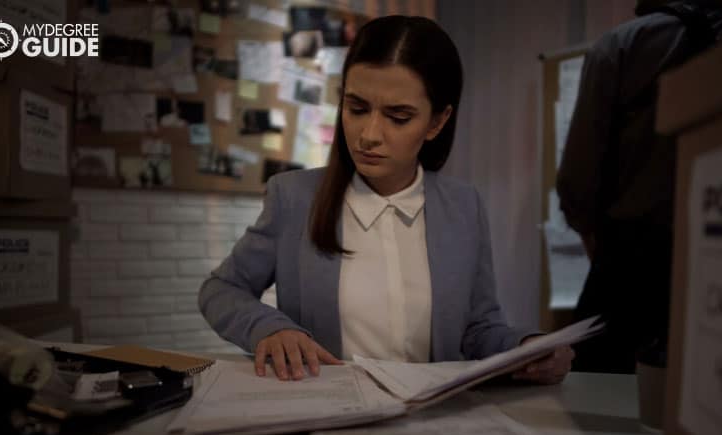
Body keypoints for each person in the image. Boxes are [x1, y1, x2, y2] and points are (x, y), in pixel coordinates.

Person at [199, 15, 574, 384]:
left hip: (429, 424)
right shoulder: (293, 198)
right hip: (328, 416)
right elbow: (221, 290)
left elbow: (478, 329)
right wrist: (270, 328)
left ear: (437, 122)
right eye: (356, 108)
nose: (369, 135)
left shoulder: (463, 206)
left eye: (398, 116)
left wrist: (526, 346)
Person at [556, 0, 722, 373]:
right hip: (718, 255)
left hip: (629, 268)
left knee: (596, 411)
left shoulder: (622, 45)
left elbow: (577, 180)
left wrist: (602, 247)